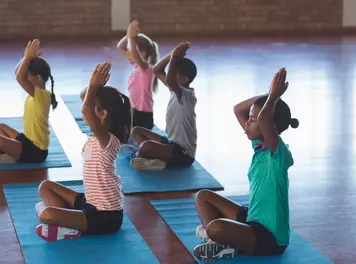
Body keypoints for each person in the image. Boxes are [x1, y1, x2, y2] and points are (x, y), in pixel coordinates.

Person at [192, 68, 299, 262]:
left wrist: (274, 97)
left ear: (270, 126)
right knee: (203, 196)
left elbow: (265, 118)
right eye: (248, 119)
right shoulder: (259, 147)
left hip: (271, 238)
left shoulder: (279, 155)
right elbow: (238, 109)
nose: (246, 124)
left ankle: (219, 238)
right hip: (253, 218)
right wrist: (269, 96)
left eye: (252, 120)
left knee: (216, 227)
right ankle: (218, 241)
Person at [35, 61, 133, 242]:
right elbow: (85, 100)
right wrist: (93, 87)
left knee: (46, 213)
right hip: (90, 203)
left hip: (106, 217)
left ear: (103, 114)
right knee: (45, 187)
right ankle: (66, 220)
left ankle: (67, 225)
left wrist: (94, 85)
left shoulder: (109, 140)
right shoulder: (94, 138)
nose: (83, 111)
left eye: (89, 107)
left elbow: (87, 109)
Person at [125, 42, 198, 171]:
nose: (169, 77)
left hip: (183, 154)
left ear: (184, 79)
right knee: (136, 131)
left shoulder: (186, 95)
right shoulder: (176, 90)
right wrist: (172, 55)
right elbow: (156, 70)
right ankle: (151, 158)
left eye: (174, 73)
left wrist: (175, 58)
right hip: (171, 143)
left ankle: (144, 157)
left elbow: (169, 80)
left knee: (146, 147)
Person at [0, 39, 57, 164]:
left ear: (38, 78)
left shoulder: (42, 96)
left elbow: (19, 77)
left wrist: (28, 58)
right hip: (26, 141)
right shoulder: (36, 93)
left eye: (28, 76)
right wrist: (25, 58)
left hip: (36, 151)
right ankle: (10, 154)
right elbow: (17, 72)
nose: (26, 79)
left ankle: (10, 156)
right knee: (0, 127)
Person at [117, 20, 158, 130]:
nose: (127, 53)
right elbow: (120, 47)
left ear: (142, 54)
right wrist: (129, 35)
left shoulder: (147, 69)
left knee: (136, 136)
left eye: (129, 51)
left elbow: (134, 52)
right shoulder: (137, 67)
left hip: (143, 115)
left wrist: (131, 38)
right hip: (134, 112)